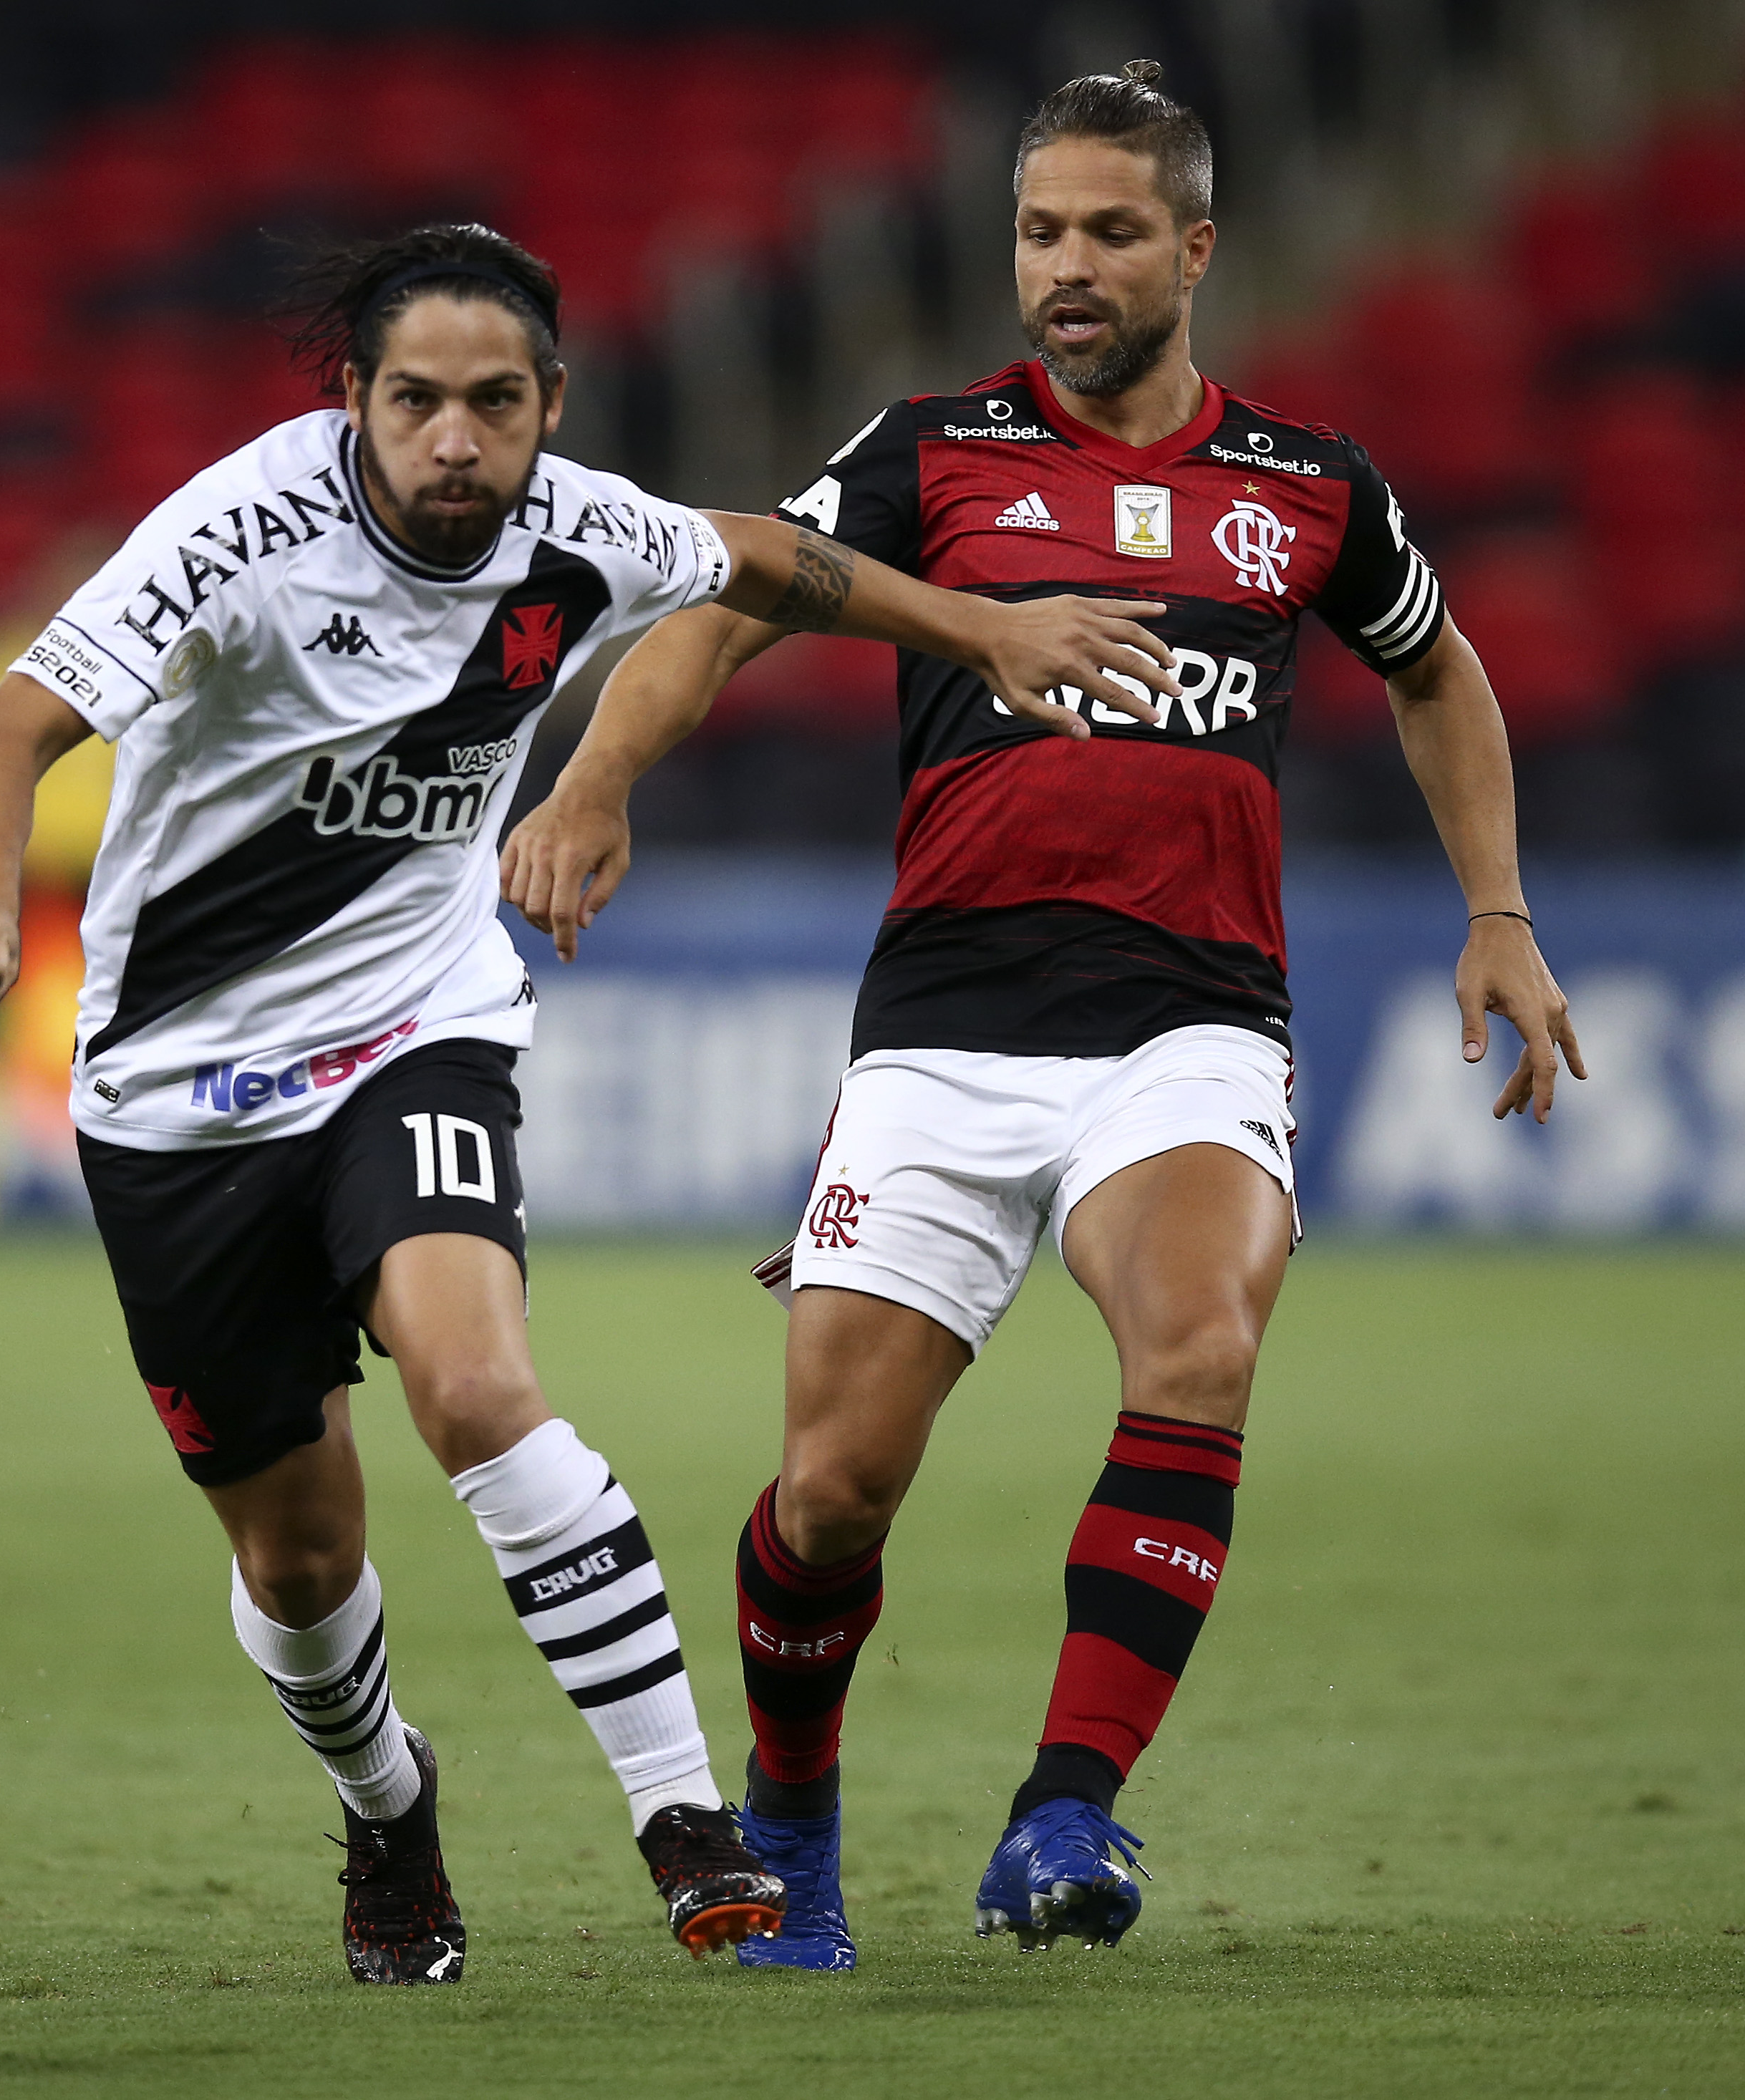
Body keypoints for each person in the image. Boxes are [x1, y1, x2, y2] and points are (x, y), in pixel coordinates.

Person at [0, 221, 1191, 1985]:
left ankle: (684, 1822)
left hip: (413, 1032)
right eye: (417, 402)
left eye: (494, 404)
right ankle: (387, 1809)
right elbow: (4, 737)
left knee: (475, 1380)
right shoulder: (235, 532)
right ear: (353, 400)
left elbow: (767, 564)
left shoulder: (573, 524)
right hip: (181, 1097)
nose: (457, 441)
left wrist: (972, 627)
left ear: (549, 405)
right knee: (299, 1563)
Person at [502, 65, 1585, 1970]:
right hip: (945, 1030)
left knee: (1200, 1340)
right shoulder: (933, 452)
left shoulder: (1309, 488)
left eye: (1105, 231)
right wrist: (596, 777)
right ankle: (795, 1815)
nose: (1065, 268)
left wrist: (1497, 907)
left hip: (1192, 1021)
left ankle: (1066, 1805)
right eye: (1037, 232)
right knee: (832, 1495)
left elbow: (1442, 672)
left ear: (1195, 247)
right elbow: (728, 591)